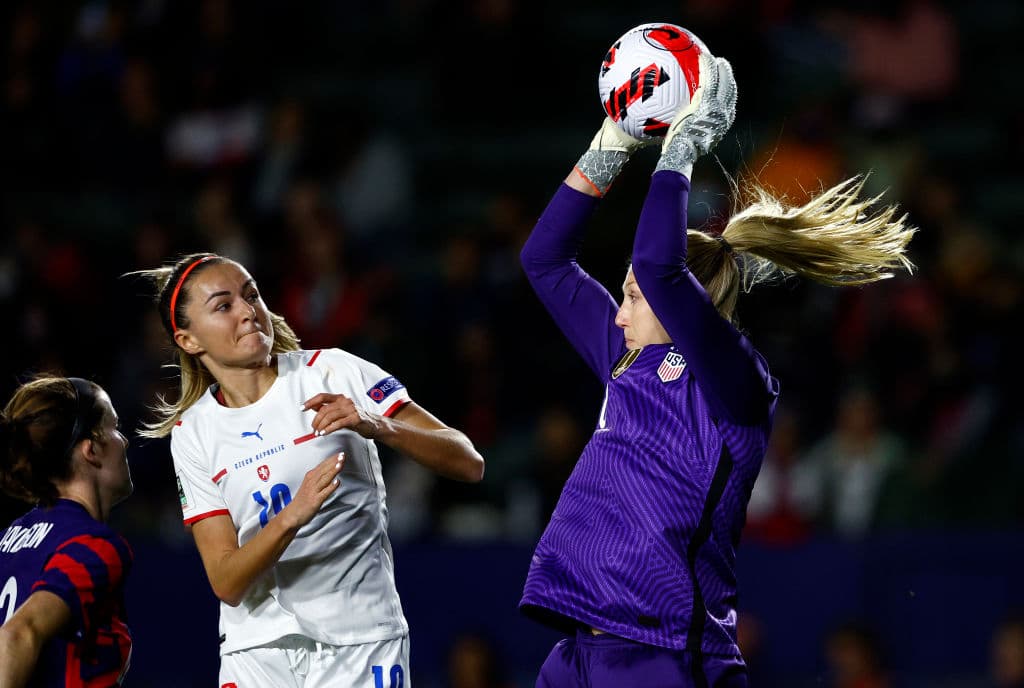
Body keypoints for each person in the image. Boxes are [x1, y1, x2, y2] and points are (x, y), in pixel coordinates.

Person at [518, 46, 915, 687]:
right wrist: (611, 143)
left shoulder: (735, 381)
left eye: (633, 299)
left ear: (686, 305)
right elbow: (545, 261)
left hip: (669, 653)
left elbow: (658, 267)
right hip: (576, 654)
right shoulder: (624, 357)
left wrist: (683, 147)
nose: (619, 312)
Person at [134, 253, 485, 686]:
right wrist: (292, 517)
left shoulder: (334, 370)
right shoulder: (194, 432)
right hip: (256, 652)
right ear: (189, 341)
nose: (247, 311)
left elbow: (467, 460)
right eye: (224, 306)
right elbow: (226, 581)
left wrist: (377, 424)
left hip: (361, 638)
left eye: (251, 295)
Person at [0, 376, 133, 687]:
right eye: (115, 427)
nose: (124, 441)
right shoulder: (93, 545)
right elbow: (18, 633)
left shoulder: (7, 538)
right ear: (91, 450)